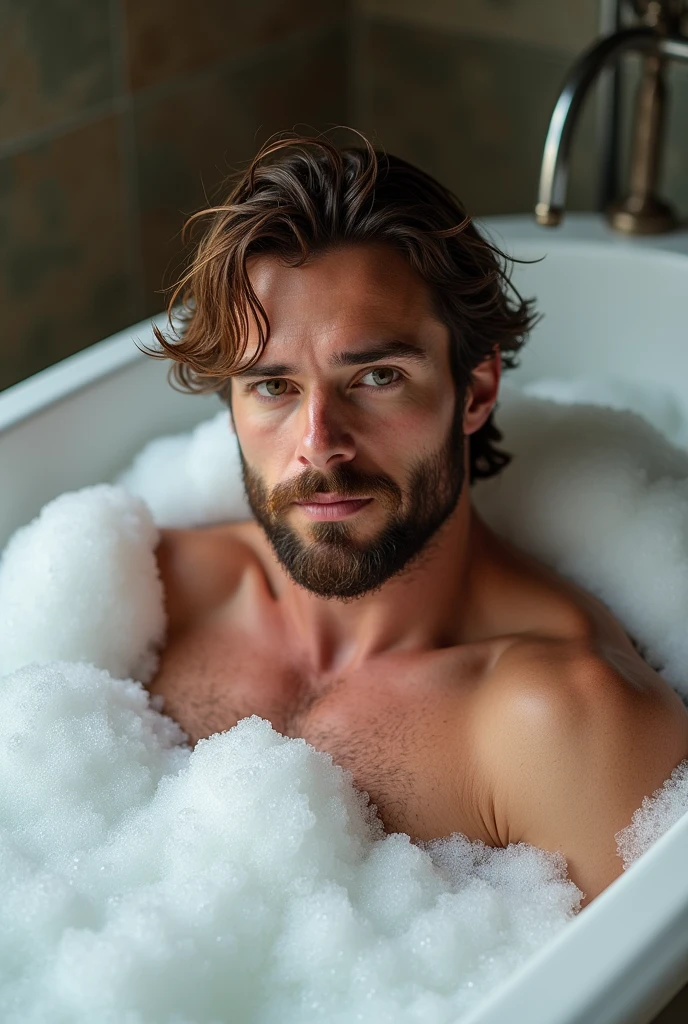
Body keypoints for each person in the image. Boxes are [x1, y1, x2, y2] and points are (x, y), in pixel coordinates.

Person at [143, 132, 688, 907]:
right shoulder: (157, 593)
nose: (318, 445)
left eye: (376, 376)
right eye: (274, 387)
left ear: (475, 390)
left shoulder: (565, 723)